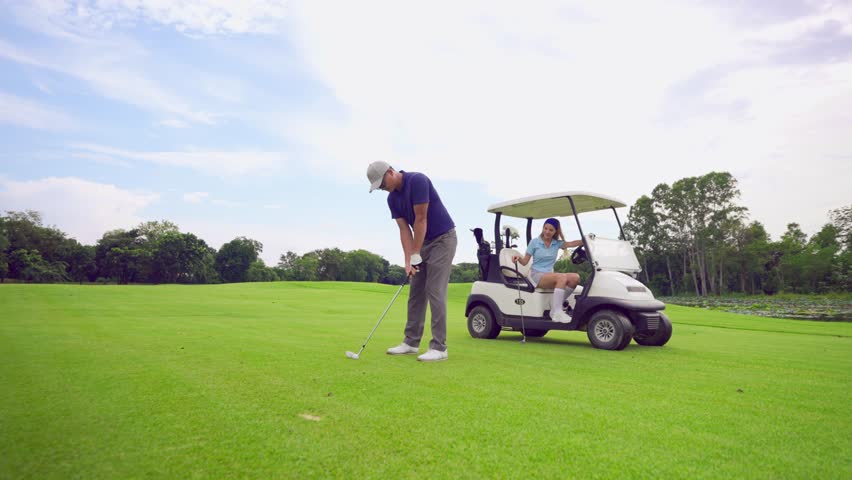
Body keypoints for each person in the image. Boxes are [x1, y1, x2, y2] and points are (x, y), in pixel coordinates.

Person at [366, 161, 457, 362]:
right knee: (416, 291)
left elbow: (420, 219)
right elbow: (404, 230)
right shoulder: (392, 199)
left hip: (443, 239)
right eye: (379, 187)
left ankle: (439, 347)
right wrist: (408, 261)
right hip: (422, 241)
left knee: (434, 290)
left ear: (390, 172)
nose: (382, 188)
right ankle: (411, 342)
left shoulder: (418, 181)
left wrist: (416, 252)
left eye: (382, 183)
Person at [511, 217, 582, 323]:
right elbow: (525, 261)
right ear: (543, 228)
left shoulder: (557, 243)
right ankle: (557, 313)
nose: (547, 232)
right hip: (536, 275)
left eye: (551, 230)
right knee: (561, 277)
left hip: (549, 275)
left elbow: (571, 243)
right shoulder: (534, 242)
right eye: (545, 228)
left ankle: (555, 307)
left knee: (575, 278)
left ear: (555, 232)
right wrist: (518, 258)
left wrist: (585, 240)